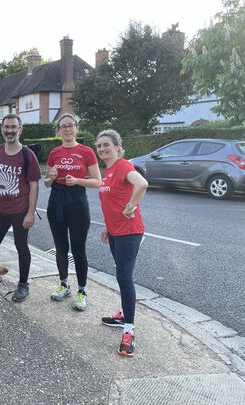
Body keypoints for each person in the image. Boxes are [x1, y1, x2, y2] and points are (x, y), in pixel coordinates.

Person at [95, 129, 148, 357]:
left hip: (130, 231)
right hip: (116, 231)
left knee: (124, 277)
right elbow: (113, 200)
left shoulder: (124, 166)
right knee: (121, 275)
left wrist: (131, 207)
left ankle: (129, 331)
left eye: (106, 145)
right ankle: (124, 314)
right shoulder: (108, 172)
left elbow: (142, 184)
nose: (102, 149)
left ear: (117, 146)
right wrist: (108, 225)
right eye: (99, 146)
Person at [44, 114, 101, 310]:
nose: (67, 129)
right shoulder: (54, 153)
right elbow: (46, 182)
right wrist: (50, 178)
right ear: (58, 131)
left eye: (71, 125)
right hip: (56, 201)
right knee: (60, 247)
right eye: (63, 126)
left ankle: (82, 290)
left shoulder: (86, 151)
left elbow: (97, 181)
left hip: (77, 202)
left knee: (78, 249)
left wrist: (78, 181)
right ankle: (64, 284)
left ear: (76, 128)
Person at [0, 113, 41, 302]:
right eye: (6, 127)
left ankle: (23, 284)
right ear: (2, 129)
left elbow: (34, 185)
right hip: (1, 209)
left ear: (20, 129)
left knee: (21, 247)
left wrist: (30, 213)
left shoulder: (27, 154)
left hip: (20, 210)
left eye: (13, 127)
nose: (9, 131)